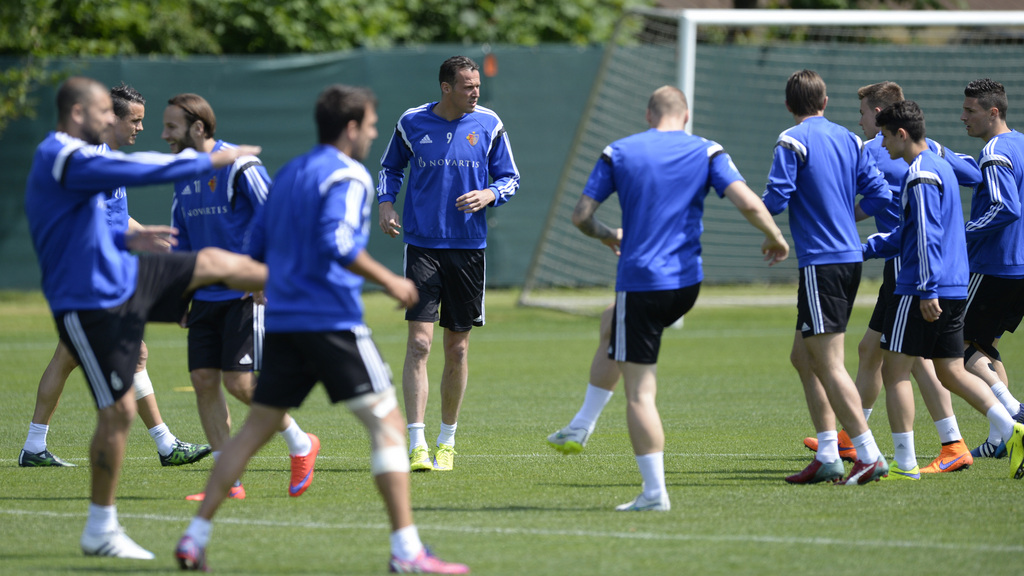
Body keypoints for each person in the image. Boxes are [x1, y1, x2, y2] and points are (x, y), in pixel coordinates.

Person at [175, 84, 469, 574]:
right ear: (351, 128)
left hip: (285, 321)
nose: (374, 135)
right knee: (390, 428)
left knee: (252, 433)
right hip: (331, 320)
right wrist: (390, 281)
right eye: (372, 126)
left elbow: (257, 243)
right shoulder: (349, 176)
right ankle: (407, 553)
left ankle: (194, 537)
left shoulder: (289, 173)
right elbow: (336, 242)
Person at [24, 76, 269, 560]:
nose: (115, 123)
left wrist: (126, 239)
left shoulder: (82, 158)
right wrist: (211, 158)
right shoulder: (63, 155)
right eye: (104, 114)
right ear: (79, 115)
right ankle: (101, 528)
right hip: (88, 301)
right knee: (117, 413)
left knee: (215, 263)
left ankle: (297, 286)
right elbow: (141, 171)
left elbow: (79, 226)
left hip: (124, 278)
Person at [568, 85, 788, 510]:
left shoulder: (620, 151)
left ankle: (654, 493)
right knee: (612, 322)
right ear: (685, 117)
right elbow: (746, 201)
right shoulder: (707, 151)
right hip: (687, 286)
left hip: (643, 281)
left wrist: (608, 235)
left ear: (649, 115)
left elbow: (581, 216)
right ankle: (581, 423)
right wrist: (775, 236)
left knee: (640, 393)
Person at [19, 82, 210, 469]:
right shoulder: (88, 161)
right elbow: (89, 228)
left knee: (73, 359)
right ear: (111, 119)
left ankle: (35, 446)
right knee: (130, 360)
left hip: (98, 279)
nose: (140, 128)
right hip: (93, 282)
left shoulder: (104, 157)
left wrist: (148, 236)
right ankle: (163, 446)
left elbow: (115, 218)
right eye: (134, 120)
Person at [802, 81, 981, 476]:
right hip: (910, 262)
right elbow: (972, 173)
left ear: (884, 119)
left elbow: (863, 199)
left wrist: (842, 227)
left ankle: (948, 443)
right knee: (877, 352)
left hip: (912, 269)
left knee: (908, 362)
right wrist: (940, 150)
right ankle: (857, 436)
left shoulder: (877, 151)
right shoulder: (930, 153)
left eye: (864, 114)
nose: (861, 122)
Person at [162, 93, 316, 500]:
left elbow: (275, 214)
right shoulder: (182, 170)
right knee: (202, 380)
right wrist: (180, 294)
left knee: (241, 385)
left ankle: (302, 444)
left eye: (171, 127)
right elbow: (180, 239)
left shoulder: (239, 165)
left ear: (198, 127)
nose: (164, 135)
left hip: (244, 293)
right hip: (203, 296)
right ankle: (226, 480)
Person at [864, 100, 1024, 480]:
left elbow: (922, 236)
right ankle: (1012, 427)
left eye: (884, 136)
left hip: (922, 288)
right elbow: (918, 230)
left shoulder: (918, 175)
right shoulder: (942, 167)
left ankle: (905, 465)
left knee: (895, 372)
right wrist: (868, 248)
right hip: (955, 286)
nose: (881, 145)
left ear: (902, 134)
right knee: (951, 370)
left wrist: (926, 289)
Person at [377, 55, 520, 472]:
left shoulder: (490, 124)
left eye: (477, 85)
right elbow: (390, 168)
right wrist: (386, 205)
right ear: (445, 87)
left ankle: (447, 440)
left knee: (456, 350)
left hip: (469, 249)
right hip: (422, 246)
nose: (475, 92)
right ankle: (417, 444)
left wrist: (490, 195)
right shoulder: (412, 122)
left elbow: (510, 177)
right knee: (419, 343)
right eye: (467, 86)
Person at [763, 70, 892, 486]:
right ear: (825, 101)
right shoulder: (852, 140)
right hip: (847, 258)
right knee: (803, 357)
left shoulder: (791, 140)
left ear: (788, 105)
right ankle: (828, 454)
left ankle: (868, 455)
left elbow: (776, 198)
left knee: (830, 363)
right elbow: (879, 195)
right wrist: (843, 214)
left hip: (823, 261)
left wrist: (762, 221)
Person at [958, 78, 1024, 458]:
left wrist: (962, 233)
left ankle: (1014, 413)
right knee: (986, 347)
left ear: (993, 112)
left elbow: (1006, 207)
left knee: (953, 345)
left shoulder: (997, 151)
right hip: (1019, 269)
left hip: (995, 264)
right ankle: (1001, 442)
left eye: (970, 111)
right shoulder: (1020, 144)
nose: (963, 117)